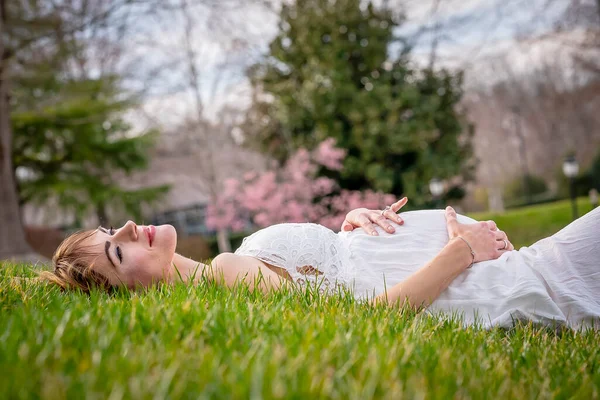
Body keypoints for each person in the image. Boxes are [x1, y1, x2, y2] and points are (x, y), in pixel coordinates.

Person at [42, 198, 600, 329]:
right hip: (491, 277)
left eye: (113, 229)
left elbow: (328, 283)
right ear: (132, 294)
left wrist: (345, 229)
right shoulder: (228, 273)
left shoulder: (230, 267)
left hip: (492, 266)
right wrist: (460, 250)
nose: (131, 229)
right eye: (119, 250)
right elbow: (368, 318)